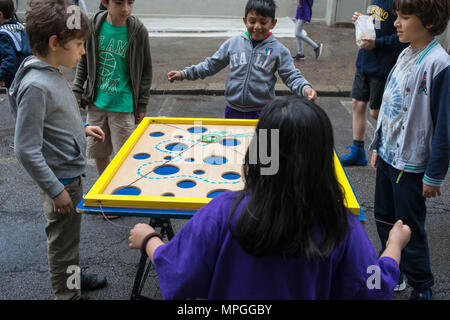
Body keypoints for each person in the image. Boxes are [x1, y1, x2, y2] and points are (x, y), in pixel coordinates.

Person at [129, 96, 411, 299]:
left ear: (260, 153)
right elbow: (372, 286)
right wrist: (393, 248)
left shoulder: (221, 212)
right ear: (323, 159)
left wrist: (150, 241)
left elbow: (181, 275)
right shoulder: (341, 226)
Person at [7, 0, 108, 300]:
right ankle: (67, 294)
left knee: (70, 238)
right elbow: (26, 149)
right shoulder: (37, 84)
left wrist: (81, 128)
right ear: (54, 42)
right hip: (61, 182)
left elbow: (53, 120)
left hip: (66, 176)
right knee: (63, 243)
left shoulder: (49, 69)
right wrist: (56, 190)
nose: (83, 51)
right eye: (79, 44)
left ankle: (73, 279)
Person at [369, 0, 449, 300]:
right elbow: (390, 109)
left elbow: (445, 127)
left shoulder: (439, 64)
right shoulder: (405, 53)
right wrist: (377, 145)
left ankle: (422, 284)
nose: (396, 23)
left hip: (412, 165)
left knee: (409, 227)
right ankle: (393, 269)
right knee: (384, 218)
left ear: (428, 22)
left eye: (404, 17)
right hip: (389, 156)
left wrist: (434, 175)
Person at [167, 0, 317, 120]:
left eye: (263, 22)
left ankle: (264, 159)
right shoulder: (233, 43)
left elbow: (291, 76)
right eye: (252, 21)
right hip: (233, 112)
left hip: (264, 113)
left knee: (265, 154)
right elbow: (211, 65)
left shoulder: (279, 50)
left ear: (273, 23)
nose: (257, 27)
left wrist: (305, 88)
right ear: (245, 21)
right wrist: (184, 73)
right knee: (233, 152)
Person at [73, 0, 152, 178]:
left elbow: (146, 70)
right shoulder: (93, 26)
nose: (125, 9)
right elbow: (83, 61)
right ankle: (107, 187)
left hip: (123, 106)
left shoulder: (139, 31)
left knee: (125, 156)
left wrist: (141, 104)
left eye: (130, 3)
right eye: (118, 3)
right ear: (105, 3)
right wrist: (77, 90)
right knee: (99, 152)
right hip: (97, 103)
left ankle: (124, 190)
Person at [340, 0, 408, 166]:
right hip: (364, 60)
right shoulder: (374, 0)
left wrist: (377, 43)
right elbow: (377, 25)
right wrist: (361, 20)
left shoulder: (399, 3)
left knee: (377, 112)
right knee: (357, 103)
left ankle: (391, 151)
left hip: (382, 66)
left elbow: (402, 38)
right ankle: (357, 151)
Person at [0, 0, 32, 149]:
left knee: (17, 112)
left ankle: (21, 142)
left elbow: (9, 60)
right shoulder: (18, 27)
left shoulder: (2, 34)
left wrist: (1, 77)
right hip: (27, 73)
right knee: (26, 110)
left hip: (14, 79)